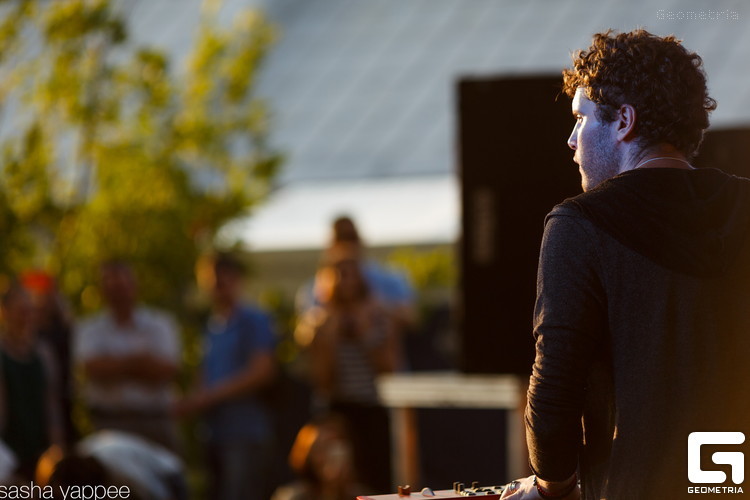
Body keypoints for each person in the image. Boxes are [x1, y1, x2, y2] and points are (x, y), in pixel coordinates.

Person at [500, 30, 750, 500]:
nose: (571, 140)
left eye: (581, 118)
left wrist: (554, 487)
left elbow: (553, 391)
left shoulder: (579, 224)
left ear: (623, 121)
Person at [175, 253, 276, 500]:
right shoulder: (211, 326)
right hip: (213, 434)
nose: (217, 287)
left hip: (245, 434)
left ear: (237, 279)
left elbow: (262, 372)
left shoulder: (254, 320)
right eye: (210, 281)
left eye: (222, 280)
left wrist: (210, 397)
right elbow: (205, 374)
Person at [299, 243, 398, 493]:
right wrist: (329, 337)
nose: (347, 281)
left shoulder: (378, 316)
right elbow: (321, 380)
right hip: (338, 413)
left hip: (372, 408)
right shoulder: (318, 322)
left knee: (376, 480)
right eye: (340, 274)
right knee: (337, 478)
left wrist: (365, 333)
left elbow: (390, 369)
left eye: (352, 273)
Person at [75, 260, 181, 452]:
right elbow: (92, 369)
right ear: (102, 291)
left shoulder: (160, 324)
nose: (118, 293)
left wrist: (114, 365)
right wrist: (140, 362)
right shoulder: (89, 329)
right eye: (111, 287)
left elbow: (166, 370)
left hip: (154, 421)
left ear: (134, 286)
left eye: (122, 286)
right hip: (108, 423)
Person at [0, 283, 64, 480]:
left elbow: (52, 402)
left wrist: (56, 447)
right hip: (8, 448)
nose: (25, 317)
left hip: (40, 447)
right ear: (5, 312)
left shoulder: (44, 353)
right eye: (20, 311)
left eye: (29, 311)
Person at [272, 414, 366, 500]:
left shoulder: (362, 497)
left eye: (334, 446)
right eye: (321, 447)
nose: (331, 455)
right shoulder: (292, 496)